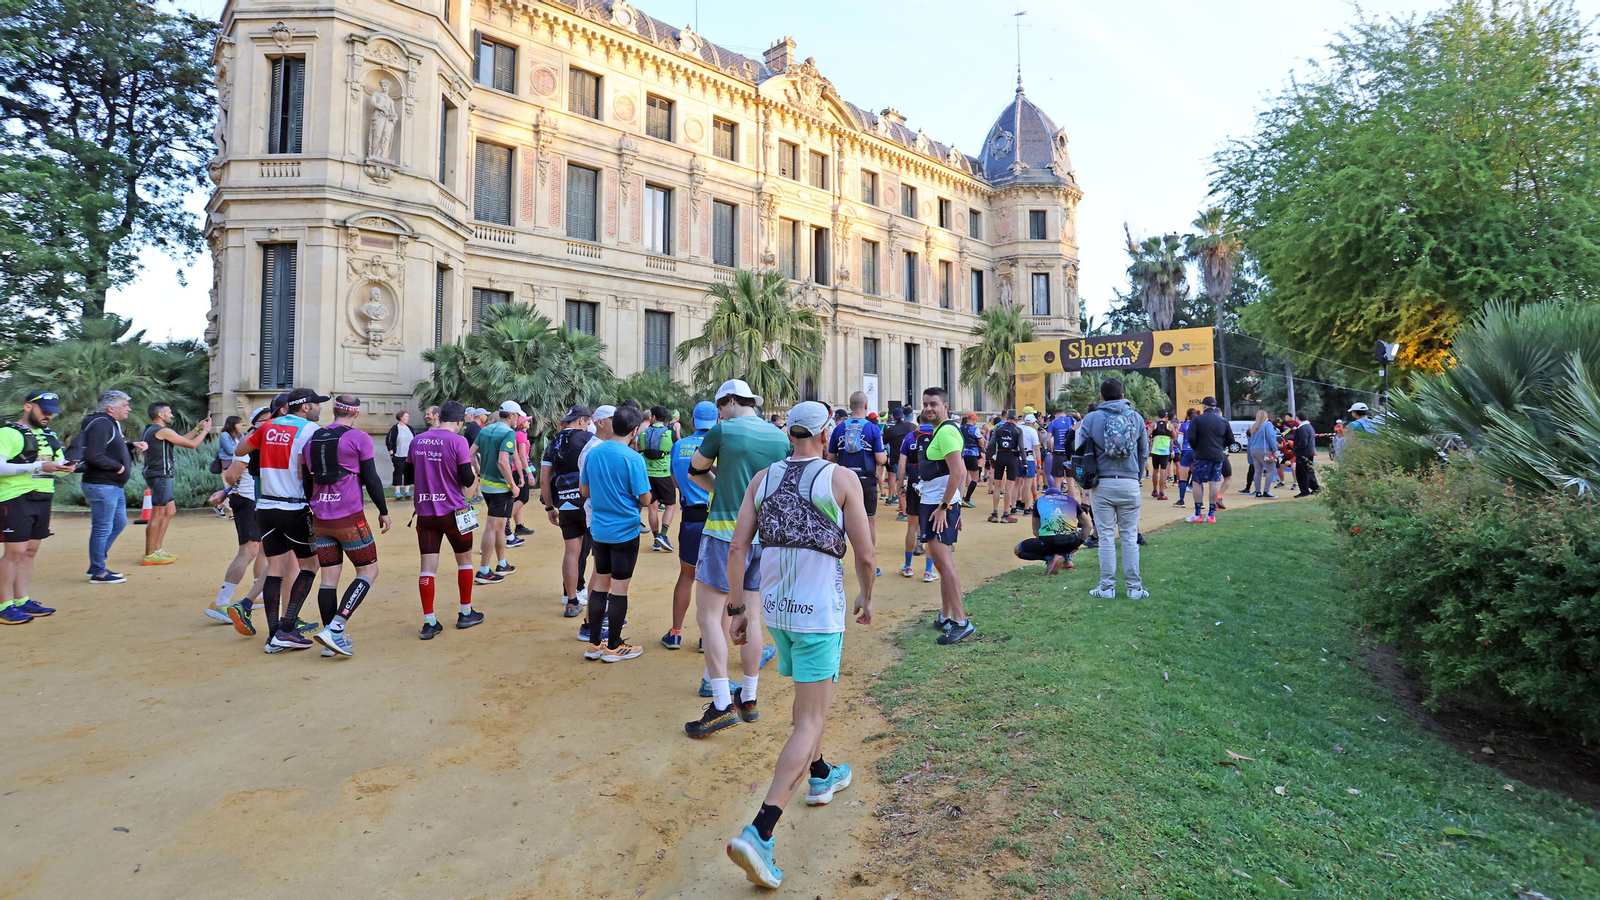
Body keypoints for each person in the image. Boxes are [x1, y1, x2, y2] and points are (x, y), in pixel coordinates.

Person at [722, 401, 876, 889]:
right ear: (826, 433)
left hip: (776, 610)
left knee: (807, 705)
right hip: (818, 613)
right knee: (810, 718)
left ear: (790, 434)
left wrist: (737, 608)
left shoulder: (762, 479)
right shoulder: (840, 478)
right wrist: (867, 595)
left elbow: (737, 547)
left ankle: (821, 772)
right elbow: (866, 553)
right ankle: (761, 829)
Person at [684, 379, 787, 738]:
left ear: (729, 401)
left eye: (719, 407)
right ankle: (750, 698)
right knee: (752, 617)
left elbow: (695, 470)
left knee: (709, 617)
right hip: (764, 537)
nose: (719, 414)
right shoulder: (778, 436)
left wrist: (723, 488)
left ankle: (721, 703)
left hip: (724, 533)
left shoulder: (723, 431)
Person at [228, 388, 330, 653]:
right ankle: (287, 627)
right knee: (310, 565)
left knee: (275, 569)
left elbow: (241, 449)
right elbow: (305, 470)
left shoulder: (269, 426)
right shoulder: (309, 430)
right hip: (294, 506)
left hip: (265, 506)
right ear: (305, 407)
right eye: (316, 404)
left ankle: (275, 635)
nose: (320, 408)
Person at [302, 395, 392, 658]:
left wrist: (315, 504)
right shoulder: (359, 438)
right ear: (356, 413)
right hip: (349, 517)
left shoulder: (312, 439)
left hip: (320, 518)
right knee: (368, 571)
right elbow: (371, 478)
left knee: (329, 578)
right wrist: (383, 511)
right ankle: (336, 627)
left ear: (334, 410)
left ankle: (330, 639)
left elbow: (306, 480)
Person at [579, 404, 651, 664]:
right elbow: (645, 499)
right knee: (619, 589)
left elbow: (584, 491)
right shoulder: (633, 459)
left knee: (600, 583)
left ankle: (594, 643)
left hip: (599, 529)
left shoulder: (594, 453)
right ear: (635, 430)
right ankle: (614, 646)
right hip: (625, 531)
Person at [410, 401, 483, 639]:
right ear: (460, 422)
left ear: (440, 417)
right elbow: (467, 478)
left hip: (425, 513)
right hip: (454, 512)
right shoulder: (458, 441)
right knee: (464, 561)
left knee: (427, 568)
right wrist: (473, 475)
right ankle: (465, 611)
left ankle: (429, 621)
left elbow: (408, 474)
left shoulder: (418, 439)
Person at [0, 390, 75, 624]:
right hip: (15, 497)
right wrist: (38, 467)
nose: (48, 416)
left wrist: (65, 467)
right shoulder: (7, 433)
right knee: (14, 552)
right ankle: (4, 605)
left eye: (52, 412)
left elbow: (56, 466)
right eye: (44, 411)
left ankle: (22, 600)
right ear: (28, 407)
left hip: (43, 497)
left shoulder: (50, 436)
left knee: (30, 551)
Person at [1076, 378, 1150, 600]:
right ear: (1122, 395)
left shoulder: (1092, 418)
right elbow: (1143, 451)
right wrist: (1137, 475)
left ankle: (1107, 587)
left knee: (1106, 537)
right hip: (1129, 482)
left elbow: (1079, 449)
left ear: (1101, 396)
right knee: (1129, 536)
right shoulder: (1135, 417)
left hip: (1102, 483)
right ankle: (1135, 588)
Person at [916, 387, 974, 644]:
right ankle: (946, 616)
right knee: (942, 562)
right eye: (926, 404)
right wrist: (954, 505)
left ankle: (961, 622)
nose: (929, 408)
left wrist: (944, 507)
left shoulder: (947, 431)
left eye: (934, 404)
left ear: (945, 406)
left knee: (943, 564)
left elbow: (959, 471)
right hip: (938, 504)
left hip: (937, 506)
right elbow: (959, 473)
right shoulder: (941, 430)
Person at [206, 406, 271, 627]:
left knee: (264, 548)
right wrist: (227, 492)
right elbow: (232, 475)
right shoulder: (250, 442)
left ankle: (259, 593)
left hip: (258, 501)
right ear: (257, 422)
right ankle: (221, 602)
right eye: (267, 418)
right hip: (246, 501)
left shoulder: (263, 439)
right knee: (249, 550)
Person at [663, 401, 717, 649]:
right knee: (715, 581)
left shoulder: (679, 445)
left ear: (693, 422)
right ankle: (708, 637)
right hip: (718, 518)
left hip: (691, 519)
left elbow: (675, 480)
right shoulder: (721, 446)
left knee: (686, 576)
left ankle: (675, 633)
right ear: (717, 421)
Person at [76, 390, 143, 584]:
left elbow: (108, 447)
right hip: (102, 484)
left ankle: (97, 564)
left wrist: (130, 445)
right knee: (102, 527)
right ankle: (98, 571)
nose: (129, 409)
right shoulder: (102, 424)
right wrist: (117, 467)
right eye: (125, 405)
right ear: (110, 408)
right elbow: (94, 455)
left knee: (119, 522)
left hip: (111, 485)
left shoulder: (109, 423)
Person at [140, 401, 213, 565]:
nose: (172, 415)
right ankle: (149, 554)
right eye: (169, 412)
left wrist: (198, 429)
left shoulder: (153, 429)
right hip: (160, 474)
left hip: (160, 474)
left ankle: (157, 548)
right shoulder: (162, 431)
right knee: (158, 514)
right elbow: (192, 445)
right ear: (160, 415)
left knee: (169, 510)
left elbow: (181, 440)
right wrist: (205, 431)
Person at [541, 405, 594, 617]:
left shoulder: (553, 441)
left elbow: (544, 479)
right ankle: (598, 599)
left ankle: (571, 601)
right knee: (598, 551)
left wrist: (549, 507)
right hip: (587, 501)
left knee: (571, 552)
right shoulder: (588, 439)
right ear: (582, 420)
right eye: (588, 422)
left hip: (564, 502)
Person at [825, 391, 886, 555]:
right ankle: (870, 560)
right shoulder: (873, 429)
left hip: (843, 482)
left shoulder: (839, 429)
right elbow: (881, 459)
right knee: (869, 521)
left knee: (839, 522)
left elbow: (830, 457)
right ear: (866, 405)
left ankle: (838, 560)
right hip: (866, 481)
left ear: (850, 406)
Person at [472, 402, 521, 583]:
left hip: (486, 486)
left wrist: (479, 470)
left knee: (500, 525)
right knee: (492, 527)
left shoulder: (485, 430)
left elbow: (470, 453)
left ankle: (502, 563)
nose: (518, 419)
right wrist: (513, 485)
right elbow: (503, 461)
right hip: (500, 487)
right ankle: (483, 570)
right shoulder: (508, 433)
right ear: (511, 415)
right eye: (518, 415)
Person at [1013, 486, 1085, 576]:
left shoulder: (1040, 501)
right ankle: (1066, 558)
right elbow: (1088, 525)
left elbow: (1035, 531)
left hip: (1049, 541)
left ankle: (1050, 558)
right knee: (1065, 539)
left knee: (1018, 550)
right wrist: (1077, 545)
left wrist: (1046, 544)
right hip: (1071, 542)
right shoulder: (1071, 500)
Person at [896, 419, 934, 580]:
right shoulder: (938, 434)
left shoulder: (910, 437)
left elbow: (901, 464)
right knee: (931, 529)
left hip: (914, 482)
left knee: (912, 526)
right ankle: (928, 571)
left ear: (919, 421)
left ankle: (908, 566)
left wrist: (900, 485)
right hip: (933, 484)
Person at [1185, 397, 1231, 523]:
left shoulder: (1197, 419)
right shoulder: (1222, 420)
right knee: (1214, 482)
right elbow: (1230, 439)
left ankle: (1198, 513)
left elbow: (1191, 437)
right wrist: (1220, 446)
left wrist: (1197, 447)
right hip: (1217, 455)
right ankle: (1211, 514)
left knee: (1197, 482)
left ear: (1204, 406)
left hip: (1202, 454)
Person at [639, 405, 678, 553]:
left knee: (653, 506)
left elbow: (639, 449)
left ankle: (656, 539)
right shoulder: (670, 434)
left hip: (647, 475)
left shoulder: (643, 433)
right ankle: (663, 534)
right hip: (664, 474)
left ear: (653, 417)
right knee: (670, 505)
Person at [988, 410, 1023, 523]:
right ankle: (1006, 514)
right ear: (1016, 420)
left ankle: (994, 513)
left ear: (1007, 418)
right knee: (1009, 486)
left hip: (1000, 455)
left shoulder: (999, 428)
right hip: (1012, 457)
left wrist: (990, 456)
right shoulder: (1018, 430)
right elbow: (1021, 447)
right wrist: (1025, 462)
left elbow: (991, 443)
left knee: (997, 486)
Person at [881, 407, 913, 520]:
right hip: (912, 458)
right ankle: (911, 508)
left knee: (900, 483)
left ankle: (903, 509)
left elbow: (884, 442)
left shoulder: (891, 430)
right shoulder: (911, 427)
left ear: (893, 417)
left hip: (897, 459)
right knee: (911, 483)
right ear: (903, 416)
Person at [507, 415, 533, 545]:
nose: (529, 422)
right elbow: (522, 456)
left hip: (513, 469)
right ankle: (504, 521)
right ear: (522, 423)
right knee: (523, 498)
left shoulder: (516, 434)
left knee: (517, 499)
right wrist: (529, 472)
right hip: (519, 469)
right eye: (527, 421)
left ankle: (518, 526)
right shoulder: (521, 435)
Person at [1247, 410, 1279, 498]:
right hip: (1264, 450)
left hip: (1254, 449)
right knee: (1272, 470)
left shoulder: (1254, 426)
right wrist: (1275, 449)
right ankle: (1266, 491)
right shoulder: (1267, 424)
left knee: (1258, 471)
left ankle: (1258, 492)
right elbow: (1271, 437)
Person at [958, 413, 986, 507]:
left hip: (962, 454)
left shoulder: (960, 428)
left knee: (962, 477)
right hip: (972, 454)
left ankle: (960, 497)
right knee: (975, 477)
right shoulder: (974, 429)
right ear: (974, 420)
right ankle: (967, 498)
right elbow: (981, 442)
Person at [385, 410, 414, 500]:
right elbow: (389, 440)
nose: (408, 418)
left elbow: (414, 439)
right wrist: (391, 453)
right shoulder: (395, 429)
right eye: (406, 416)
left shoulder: (410, 428)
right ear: (401, 417)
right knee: (398, 471)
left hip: (409, 455)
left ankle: (407, 491)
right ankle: (397, 492)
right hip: (398, 454)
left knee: (408, 472)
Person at [1045, 409, 1075, 494]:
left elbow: (1048, 440)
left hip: (1058, 453)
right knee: (1071, 480)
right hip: (1070, 453)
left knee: (1057, 479)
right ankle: (1072, 500)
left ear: (1055, 415)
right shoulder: (1072, 420)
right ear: (1064, 413)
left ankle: (1058, 499)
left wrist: (1050, 450)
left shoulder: (1053, 422)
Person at [1292, 412, 1321, 497]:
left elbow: (1303, 442)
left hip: (1303, 453)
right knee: (1309, 471)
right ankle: (1315, 488)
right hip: (1309, 452)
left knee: (1302, 473)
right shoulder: (1309, 427)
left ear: (1298, 418)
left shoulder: (1302, 428)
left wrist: (1296, 449)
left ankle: (1304, 491)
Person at [1018, 412, 1042, 512]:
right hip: (1029, 458)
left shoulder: (1019, 428)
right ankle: (1027, 507)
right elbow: (1036, 448)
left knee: (1017, 484)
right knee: (1028, 484)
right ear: (1033, 422)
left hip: (1018, 457)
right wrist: (1039, 461)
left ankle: (1015, 505)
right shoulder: (1032, 431)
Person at [1148, 413, 1173, 500]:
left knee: (1155, 470)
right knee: (1163, 471)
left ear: (1158, 416)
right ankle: (1161, 493)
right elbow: (1174, 437)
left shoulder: (1153, 425)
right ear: (1166, 417)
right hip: (1165, 452)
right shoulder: (1169, 425)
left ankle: (1155, 490)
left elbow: (1147, 434)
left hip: (1155, 451)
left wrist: (1149, 440)